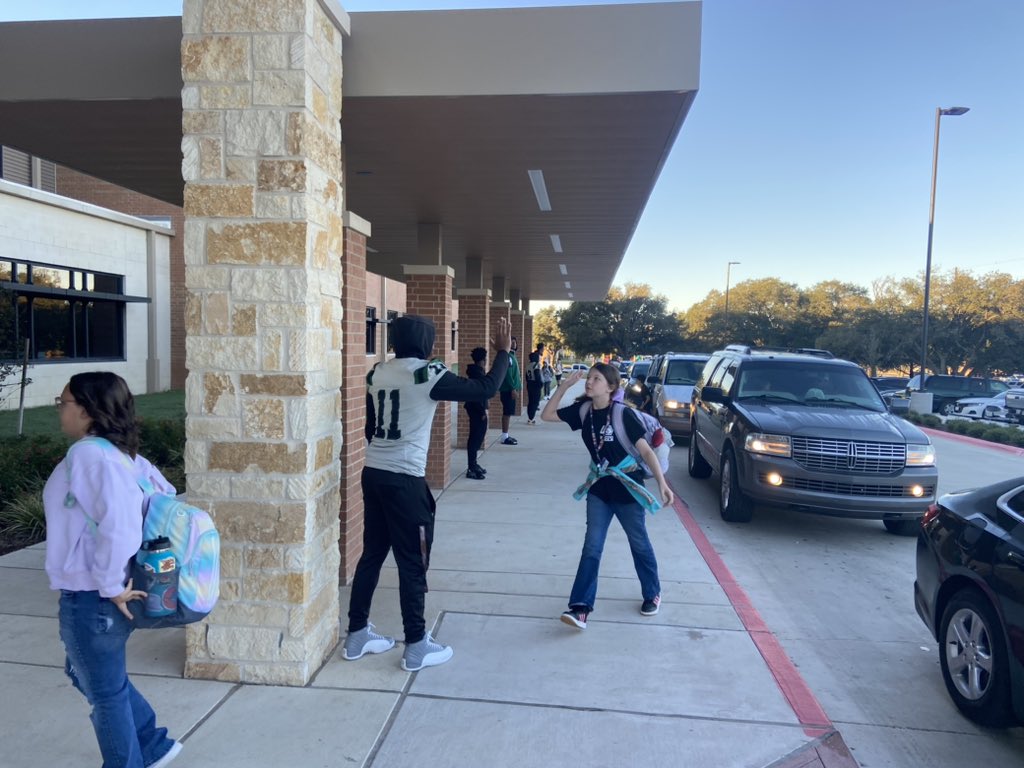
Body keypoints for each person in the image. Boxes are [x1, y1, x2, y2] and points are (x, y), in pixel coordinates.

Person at [345, 315, 512, 671]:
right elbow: (485, 389)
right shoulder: (427, 374)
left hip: (373, 472)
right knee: (412, 563)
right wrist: (503, 352)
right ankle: (417, 643)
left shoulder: (377, 372)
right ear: (428, 344)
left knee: (372, 554)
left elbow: (370, 427)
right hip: (406, 480)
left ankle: (357, 633)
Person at [44, 371, 182, 768]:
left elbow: (120, 524)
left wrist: (110, 584)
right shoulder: (120, 453)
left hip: (93, 595)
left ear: (87, 410)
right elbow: (164, 494)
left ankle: (138, 755)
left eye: (63, 402)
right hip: (100, 592)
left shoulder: (90, 455)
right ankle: (153, 745)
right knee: (84, 672)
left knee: (104, 694)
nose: (60, 410)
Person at [541, 363, 673, 631]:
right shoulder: (584, 411)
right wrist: (565, 385)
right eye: (589, 378)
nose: (589, 382)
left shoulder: (624, 415)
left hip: (628, 491)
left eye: (596, 379)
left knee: (639, 544)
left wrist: (662, 483)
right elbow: (547, 414)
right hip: (599, 489)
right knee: (592, 547)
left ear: (611, 387)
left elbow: (646, 452)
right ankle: (580, 608)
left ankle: (652, 593)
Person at [464, 347, 489, 479]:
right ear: (482, 360)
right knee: (475, 438)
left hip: (475, 407)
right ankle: (471, 468)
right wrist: (482, 411)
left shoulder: (477, 372)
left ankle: (473, 464)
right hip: (476, 409)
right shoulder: (477, 374)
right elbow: (477, 394)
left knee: (477, 437)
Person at [498, 335, 521, 445]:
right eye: (511, 342)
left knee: (509, 413)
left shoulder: (513, 356)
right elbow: (507, 374)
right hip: (508, 390)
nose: (513, 344)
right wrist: (513, 389)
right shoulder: (508, 357)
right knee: (507, 413)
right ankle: (504, 437)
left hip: (512, 389)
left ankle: (506, 434)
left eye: (515, 342)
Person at [525, 341, 545, 424]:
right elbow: (537, 376)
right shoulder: (536, 365)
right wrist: (540, 384)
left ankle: (529, 417)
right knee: (535, 402)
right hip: (535, 386)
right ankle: (531, 419)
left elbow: (526, 377)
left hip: (529, 385)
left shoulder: (529, 365)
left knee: (530, 402)